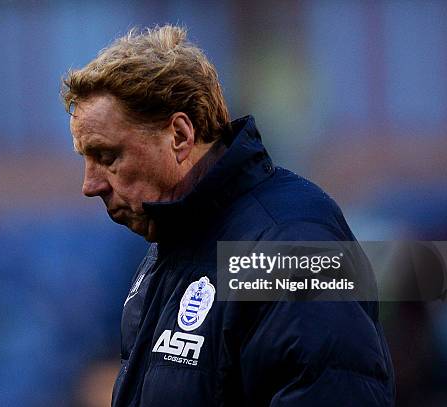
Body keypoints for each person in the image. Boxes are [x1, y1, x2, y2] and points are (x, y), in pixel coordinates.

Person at [62, 25, 394, 406]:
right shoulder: (172, 247)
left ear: (180, 136)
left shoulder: (287, 241)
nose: (90, 184)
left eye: (107, 157)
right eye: (85, 160)